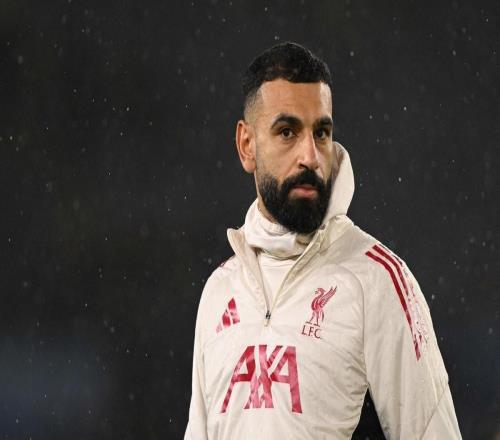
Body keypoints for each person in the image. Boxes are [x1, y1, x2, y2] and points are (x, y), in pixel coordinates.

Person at [184, 41, 462, 439]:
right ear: (247, 146)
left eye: (321, 133)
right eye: (287, 132)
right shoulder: (220, 291)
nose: (310, 156)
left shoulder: (377, 281)